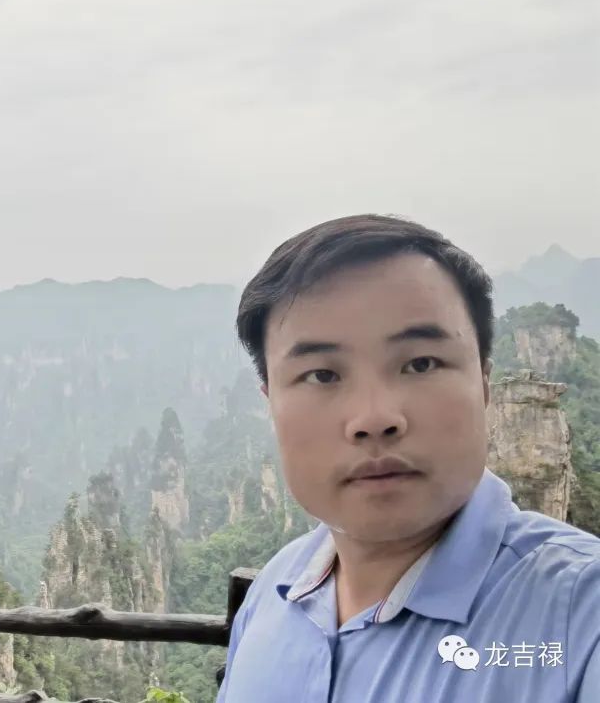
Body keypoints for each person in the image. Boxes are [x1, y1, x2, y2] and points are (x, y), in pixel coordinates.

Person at [217, 214, 600, 702]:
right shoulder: (275, 594)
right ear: (270, 402)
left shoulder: (581, 616)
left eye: (420, 363)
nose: (374, 418)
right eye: (322, 375)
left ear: (484, 383)